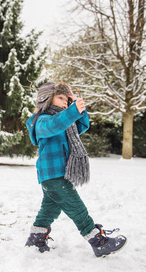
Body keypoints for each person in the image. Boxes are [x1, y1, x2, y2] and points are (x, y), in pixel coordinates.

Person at [25, 81, 127, 257]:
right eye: (61, 98)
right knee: (76, 207)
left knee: (51, 208)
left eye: (67, 99)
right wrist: (71, 111)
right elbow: (55, 125)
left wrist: (75, 107)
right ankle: (98, 241)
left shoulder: (66, 122)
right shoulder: (42, 121)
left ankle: (36, 238)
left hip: (59, 174)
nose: (65, 102)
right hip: (53, 174)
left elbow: (81, 125)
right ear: (47, 99)